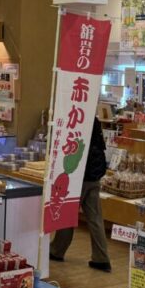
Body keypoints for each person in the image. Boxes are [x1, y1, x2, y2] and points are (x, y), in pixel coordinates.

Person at [49, 116, 112, 272]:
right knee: (95, 218)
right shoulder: (94, 120)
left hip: (78, 175)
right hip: (94, 175)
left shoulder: (76, 117)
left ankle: (57, 250)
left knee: (68, 213)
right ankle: (101, 258)